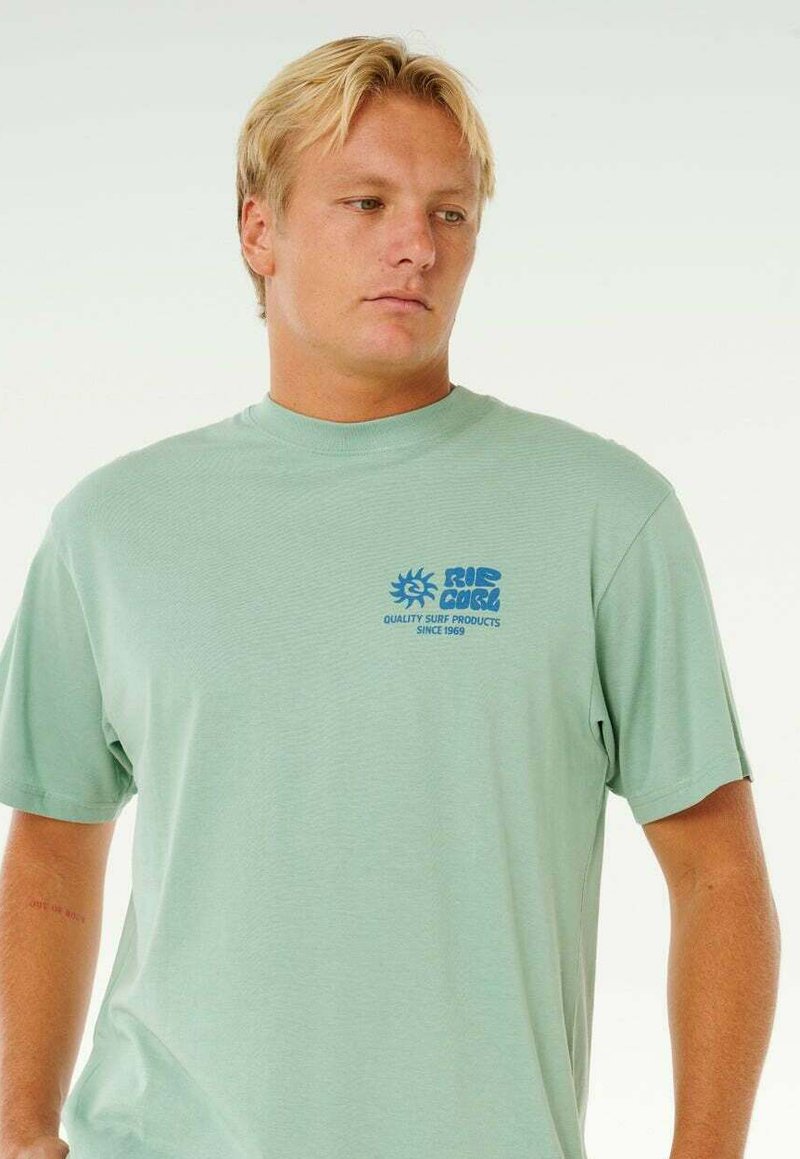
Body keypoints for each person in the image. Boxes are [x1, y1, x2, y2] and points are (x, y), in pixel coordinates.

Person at [0, 34, 779, 1159]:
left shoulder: (604, 516)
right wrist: (20, 1124)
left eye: (448, 212)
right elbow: (52, 846)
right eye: (366, 203)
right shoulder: (111, 529)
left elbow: (717, 874)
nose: (416, 245)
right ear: (258, 231)